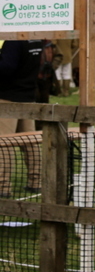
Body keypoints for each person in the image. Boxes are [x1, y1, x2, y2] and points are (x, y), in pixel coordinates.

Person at [0, 39, 44, 197]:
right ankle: (36, 182)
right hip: (27, 94)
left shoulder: (14, 40)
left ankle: (3, 186)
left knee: (4, 143)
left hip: (7, 97)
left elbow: (6, 67)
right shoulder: (35, 39)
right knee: (30, 141)